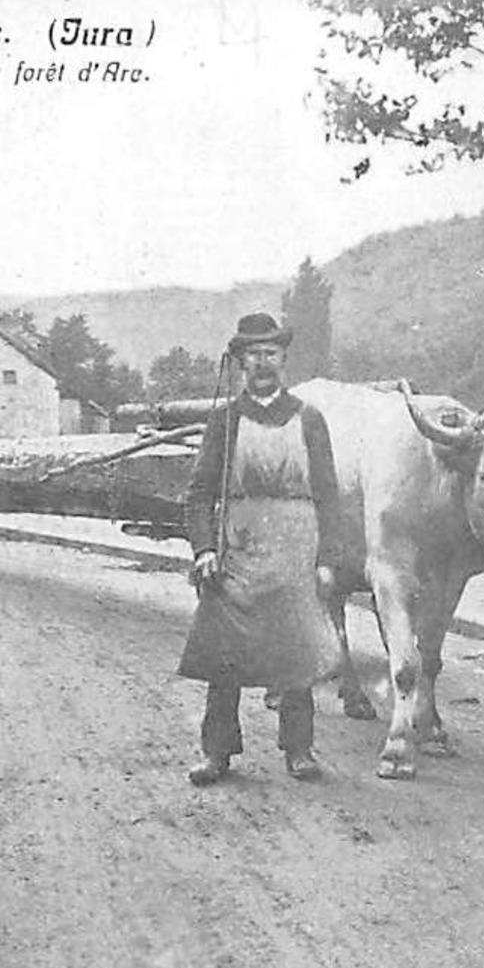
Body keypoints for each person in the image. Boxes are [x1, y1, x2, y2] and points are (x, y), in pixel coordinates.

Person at [177, 312, 344, 785]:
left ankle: (299, 749)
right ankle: (217, 752)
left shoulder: (309, 419)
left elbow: (330, 496)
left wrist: (329, 560)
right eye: (253, 355)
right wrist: (204, 549)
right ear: (240, 363)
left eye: (270, 354)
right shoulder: (225, 421)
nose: (263, 363)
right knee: (224, 653)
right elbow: (198, 494)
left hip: (296, 549)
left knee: (295, 652)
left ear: (284, 360)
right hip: (238, 549)